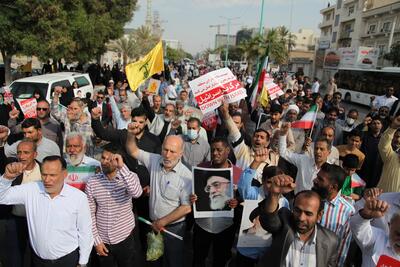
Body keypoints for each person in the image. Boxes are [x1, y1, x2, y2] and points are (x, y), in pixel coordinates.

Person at [0, 156, 93, 267]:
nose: (47, 180)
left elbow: (85, 231)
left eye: (52, 175)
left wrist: (83, 262)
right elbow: (2, 197)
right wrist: (6, 178)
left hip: (67, 260)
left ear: (64, 174)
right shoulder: (31, 190)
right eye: (44, 174)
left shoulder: (78, 198)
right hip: (37, 261)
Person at [126, 132, 191, 267]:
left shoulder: (187, 176)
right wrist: (131, 134)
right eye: (165, 149)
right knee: (154, 260)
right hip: (154, 226)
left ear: (181, 153)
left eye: (172, 151)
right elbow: (132, 150)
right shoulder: (155, 160)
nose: (167, 155)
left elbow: (186, 207)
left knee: (173, 261)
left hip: (173, 229)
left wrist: (162, 222)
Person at [258, 175, 338, 267]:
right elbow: (269, 220)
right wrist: (274, 194)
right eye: (297, 210)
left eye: (308, 214)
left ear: (319, 215)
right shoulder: (285, 223)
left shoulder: (331, 241)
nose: (301, 218)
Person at [86, 144, 143, 266]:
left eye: (109, 159)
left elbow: (137, 193)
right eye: (103, 157)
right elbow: (89, 213)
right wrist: (97, 241)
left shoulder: (129, 177)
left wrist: (122, 167)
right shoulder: (92, 182)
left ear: (118, 160)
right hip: (103, 242)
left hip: (124, 238)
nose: (104, 161)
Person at [191, 137, 240, 267]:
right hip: (203, 225)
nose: (215, 153)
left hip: (225, 227)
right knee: (198, 259)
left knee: (220, 260)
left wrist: (237, 202)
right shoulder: (201, 168)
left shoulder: (237, 173)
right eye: (212, 150)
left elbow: (241, 199)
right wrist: (192, 198)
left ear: (228, 150)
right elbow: (194, 193)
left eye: (219, 150)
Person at [4, 140, 41, 267]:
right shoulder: (12, 169)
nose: (22, 156)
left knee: (35, 256)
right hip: (15, 220)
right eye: (19, 152)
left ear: (35, 154)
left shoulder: (43, 170)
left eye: (26, 152)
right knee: (14, 257)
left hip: (37, 221)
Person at [312, 163, 355, 267]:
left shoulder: (347, 211)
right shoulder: (308, 199)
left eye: (320, 179)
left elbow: (343, 246)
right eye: (317, 177)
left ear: (333, 187)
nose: (315, 181)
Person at [280, 123, 332, 193]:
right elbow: (283, 153)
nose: (318, 151)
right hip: (297, 200)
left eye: (321, 149)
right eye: (316, 148)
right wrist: (283, 135)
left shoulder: (331, 170)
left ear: (329, 152)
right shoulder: (303, 160)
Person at [350, 198, 400, 266]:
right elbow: (358, 229)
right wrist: (366, 215)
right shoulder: (378, 239)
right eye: (398, 234)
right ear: (389, 226)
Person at [51, 87, 94, 156]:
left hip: (84, 158)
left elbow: (88, 144)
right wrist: (56, 95)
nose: (72, 111)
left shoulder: (88, 122)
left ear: (81, 109)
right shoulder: (67, 117)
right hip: (67, 156)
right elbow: (54, 112)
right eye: (70, 108)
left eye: (75, 109)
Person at [376, 115, 400, 192]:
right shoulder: (392, 157)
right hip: (381, 201)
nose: (398, 139)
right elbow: (383, 145)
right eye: (396, 137)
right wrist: (393, 128)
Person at [359, 117, 384, 188]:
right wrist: (363, 124)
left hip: (377, 170)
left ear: (381, 125)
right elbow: (354, 134)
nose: (376, 125)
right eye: (374, 123)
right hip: (363, 168)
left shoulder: (384, 138)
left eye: (378, 123)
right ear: (370, 125)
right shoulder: (364, 135)